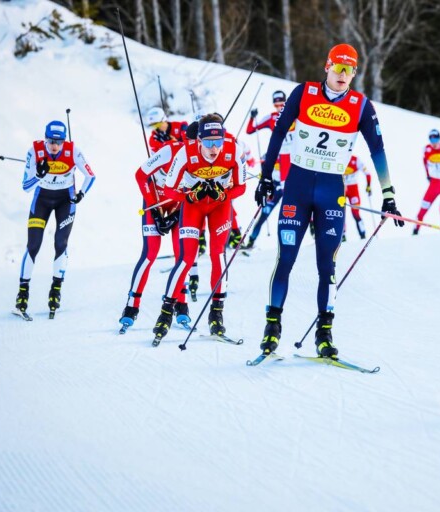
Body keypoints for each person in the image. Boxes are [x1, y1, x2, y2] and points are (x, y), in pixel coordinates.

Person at [254, 43, 404, 358]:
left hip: (331, 193)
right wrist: (266, 176)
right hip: (297, 187)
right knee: (286, 258)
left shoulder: (361, 106)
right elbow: (278, 133)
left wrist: (388, 194)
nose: (343, 74)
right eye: (338, 67)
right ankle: (272, 328)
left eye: (350, 70)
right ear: (327, 66)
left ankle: (324, 334)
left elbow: (378, 150)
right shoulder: (303, 93)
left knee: (327, 266)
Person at [152, 114, 247, 342]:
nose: (214, 148)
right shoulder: (185, 153)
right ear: (199, 140)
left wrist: (224, 194)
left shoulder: (233, 150)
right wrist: (189, 195)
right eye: (209, 142)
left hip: (219, 207)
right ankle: (166, 313)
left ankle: (216, 314)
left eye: (218, 141)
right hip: (193, 207)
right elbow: (169, 189)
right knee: (186, 258)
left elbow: (241, 187)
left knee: (218, 255)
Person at [15, 120, 96, 318]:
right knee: (33, 245)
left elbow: (91, 176)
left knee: (61, 243)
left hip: (65, 201)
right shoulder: (34, 151)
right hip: (41, 200)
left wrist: (81, 194)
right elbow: (26, 187)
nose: (55, 146)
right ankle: (23, 293)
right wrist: (38, 175)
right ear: (45, 138)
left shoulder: (73, 151)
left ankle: (55, 290)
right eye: (51, 141)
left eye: (59, 142)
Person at [118, 140, 196, 331]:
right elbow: (140, 175)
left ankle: (181, 304)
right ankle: (131, 306)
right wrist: (154, 210)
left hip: (179, 206)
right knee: (150, 254)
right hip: (154, 202)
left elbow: (194, 195)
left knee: (182, 256)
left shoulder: (204, 158)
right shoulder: (168, 151)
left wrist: (175, 215)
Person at [243, 90, 293, 250]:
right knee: (265, 211)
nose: (279, 108)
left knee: (299, 208)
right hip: (278, 176)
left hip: (294, 167)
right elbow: (250, 130)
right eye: (276, 105)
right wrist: (252, 117)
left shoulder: (296, 115)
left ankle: (313, 234)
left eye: (281, 104)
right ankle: (251, 241)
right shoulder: (271, 118)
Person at [412, 129, 440, 235]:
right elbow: (425, 162)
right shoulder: (426, 150)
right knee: (423, 207)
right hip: (434, 184)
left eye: (436, 139)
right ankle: (415, 231)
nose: (434, 143)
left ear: (439, 138)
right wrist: (427, 175)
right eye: (431, 140)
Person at [343, 154, 372, 239]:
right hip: (341, 190)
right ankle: (342, 235)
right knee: (340, 213)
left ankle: (363, 234)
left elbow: (367, 173)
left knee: (355, 213)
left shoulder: (355, 160)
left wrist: (368, 186)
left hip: (353, 190)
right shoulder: (339, 157)